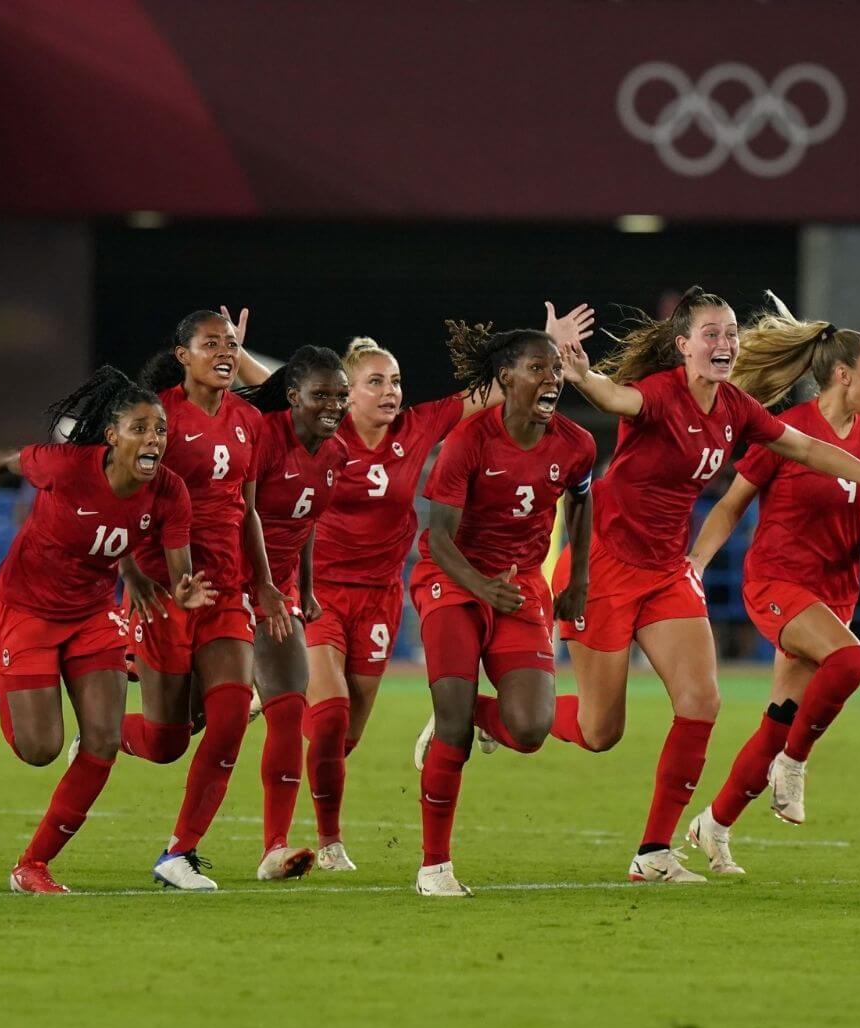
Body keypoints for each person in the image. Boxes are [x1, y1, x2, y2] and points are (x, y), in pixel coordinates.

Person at [539, 287, 860, 883]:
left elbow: (808, 448)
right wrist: (580, 370)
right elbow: (614, 394)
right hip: (604, 567)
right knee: (599, 731)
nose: (723, 343)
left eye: (730, 334)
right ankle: (492, 716)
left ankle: (654, 853)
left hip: (669, 570)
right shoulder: (660, 395)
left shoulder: (736, 408)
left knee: (701, 702)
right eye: (710, 334)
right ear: (683, 345)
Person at [0, 367, 208, 893]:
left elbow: (178, 573)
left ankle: (32, 865)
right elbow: (5, 459)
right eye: (141, 429)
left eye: (161, 431)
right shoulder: (67, 466)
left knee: (101, 744)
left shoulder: (169, 491)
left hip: (93, 612)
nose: (154, 439)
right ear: (112, 435)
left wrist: (184, 592)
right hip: (27, 607)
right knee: (39, 750)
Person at [682, 310, 860, 873]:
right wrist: (695, 563)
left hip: (834, 594)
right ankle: (794, 766)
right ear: (843, 374)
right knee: (851, 661)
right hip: (776, 583)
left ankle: (712, 824)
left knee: (781, 718)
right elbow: (731, 504)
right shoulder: (788, 430)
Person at [223, 309, 506, 872]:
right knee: (326, 721)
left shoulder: (418, 428)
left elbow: (489, 393)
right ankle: (328, 843)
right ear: (344, 395)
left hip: (379, 598)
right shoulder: (326, 431)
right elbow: (278, 387)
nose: (390, 391)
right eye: (375, 382)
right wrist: (236, 356)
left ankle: (277, 695)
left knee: (343, 738)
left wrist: (554, 353)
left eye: (395, 380)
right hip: (320, 593)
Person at [408, 321, 594, 897]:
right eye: (538, 368)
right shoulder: (469, 441)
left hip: (523, 589)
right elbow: (438, 538)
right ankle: (434, 868)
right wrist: (481, 586)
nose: (552, 378)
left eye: (556, 370)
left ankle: (458, 709)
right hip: (453, 581)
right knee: (457, 736)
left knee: (531, 728)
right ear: (506, 377)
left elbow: (584, 502)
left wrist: (578, 575)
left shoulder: (577, 443)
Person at [112, 309, 291, 892]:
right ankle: (108, 728)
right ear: (182, 354)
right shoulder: (154, 415)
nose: (222, 351)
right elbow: (115, 494)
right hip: (163, 591)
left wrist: (262, 581)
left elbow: (249, 508)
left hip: (224, 591)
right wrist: (132, 572)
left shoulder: (248, 421)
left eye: (231, 343)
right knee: (167, 741)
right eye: (210, 342)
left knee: (233, 713)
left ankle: (179, 853)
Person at [230, 345, 350, 880]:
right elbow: (242, 512)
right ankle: (113, 731)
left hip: (277, 595)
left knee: (287, 706)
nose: (334, 405)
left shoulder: (334, 453)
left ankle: (273, 849)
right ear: (293, 394)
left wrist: (302, 588)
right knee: (180, 728)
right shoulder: (260, 436)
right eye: (321, 395)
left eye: (340, 396)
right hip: (221, 582)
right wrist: (261, 585)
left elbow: (304, 525)